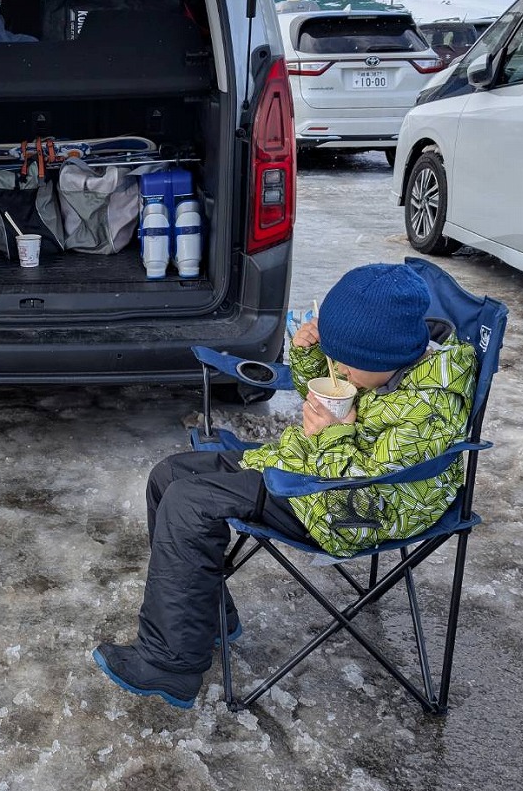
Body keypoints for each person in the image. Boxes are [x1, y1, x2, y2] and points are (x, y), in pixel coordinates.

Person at [94, 263, 477, 708]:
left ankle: (169, 666)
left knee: (189, 502)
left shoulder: (429, 408)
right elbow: (345, 388)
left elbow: (369, 482)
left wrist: (330, 436)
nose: (339, 370)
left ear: (387, 356)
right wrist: (311, 354)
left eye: (345, 365)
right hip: (316, 472)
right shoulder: (385, 366)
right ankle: (206, 617)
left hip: (357, 508)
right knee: (170, 475)